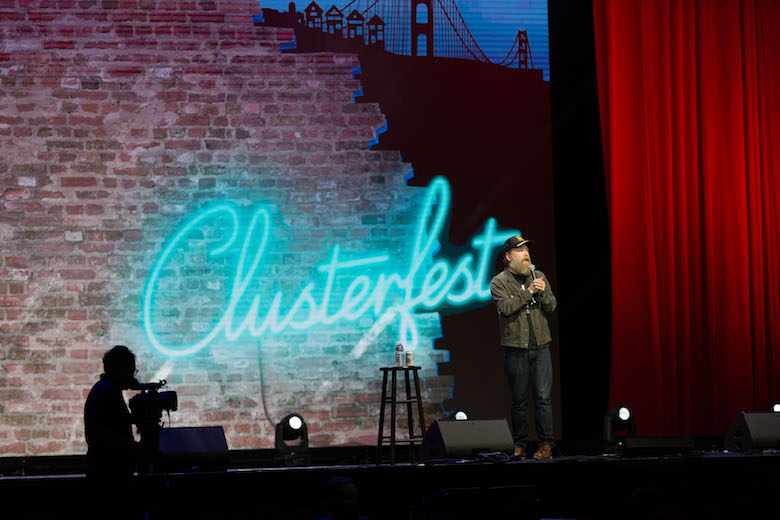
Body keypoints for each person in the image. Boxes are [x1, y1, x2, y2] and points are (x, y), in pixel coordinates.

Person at [490, 235, 557, 459]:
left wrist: (542, 292)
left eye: (527, 249)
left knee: (543, 398)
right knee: (519, 400)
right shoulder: (499, 282)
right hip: (515, 348)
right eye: (520, 250)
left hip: (540, 346)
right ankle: (519, 444)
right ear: (508, 256)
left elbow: (551, 306)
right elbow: (506, 307)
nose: (526, 254)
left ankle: (546, 444)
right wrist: (528, 292)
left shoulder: (538, 276)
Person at [84, 345, 141, 488]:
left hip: (102, 469)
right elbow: (107, 434)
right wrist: (137, 448)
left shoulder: (103, 389)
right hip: (110, 471)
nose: (132, 376)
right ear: (123, 369)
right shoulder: (108, 393)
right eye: (132, 371)